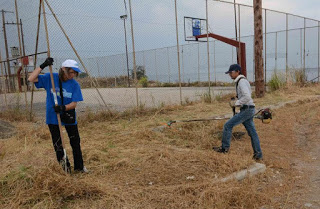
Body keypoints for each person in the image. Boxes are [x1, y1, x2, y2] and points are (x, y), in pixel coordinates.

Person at [28, 57, 88, 173]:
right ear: (64, 70)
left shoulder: (75, 85)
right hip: (53, 117)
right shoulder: (50, 78)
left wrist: (63, 107)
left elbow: (74, 104)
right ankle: (65, 169)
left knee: (75, 142)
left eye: (75, 73)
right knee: (58, 144)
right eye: (72, 72)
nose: (73, 75)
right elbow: (31, 78)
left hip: (68, 116)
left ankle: (79, 167)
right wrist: (43, 65)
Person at [213, 64, 263, 161]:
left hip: (247, 109)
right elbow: (247, 96)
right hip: (248, 108)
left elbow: (247, 96)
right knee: (252, 133)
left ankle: (224, 149)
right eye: (229, 73)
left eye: (231, 73)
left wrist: (237, 103)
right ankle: (258, 155)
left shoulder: (241, 82)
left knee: (227, 125)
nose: (230, 75)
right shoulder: (242, 81)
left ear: (237, 71)